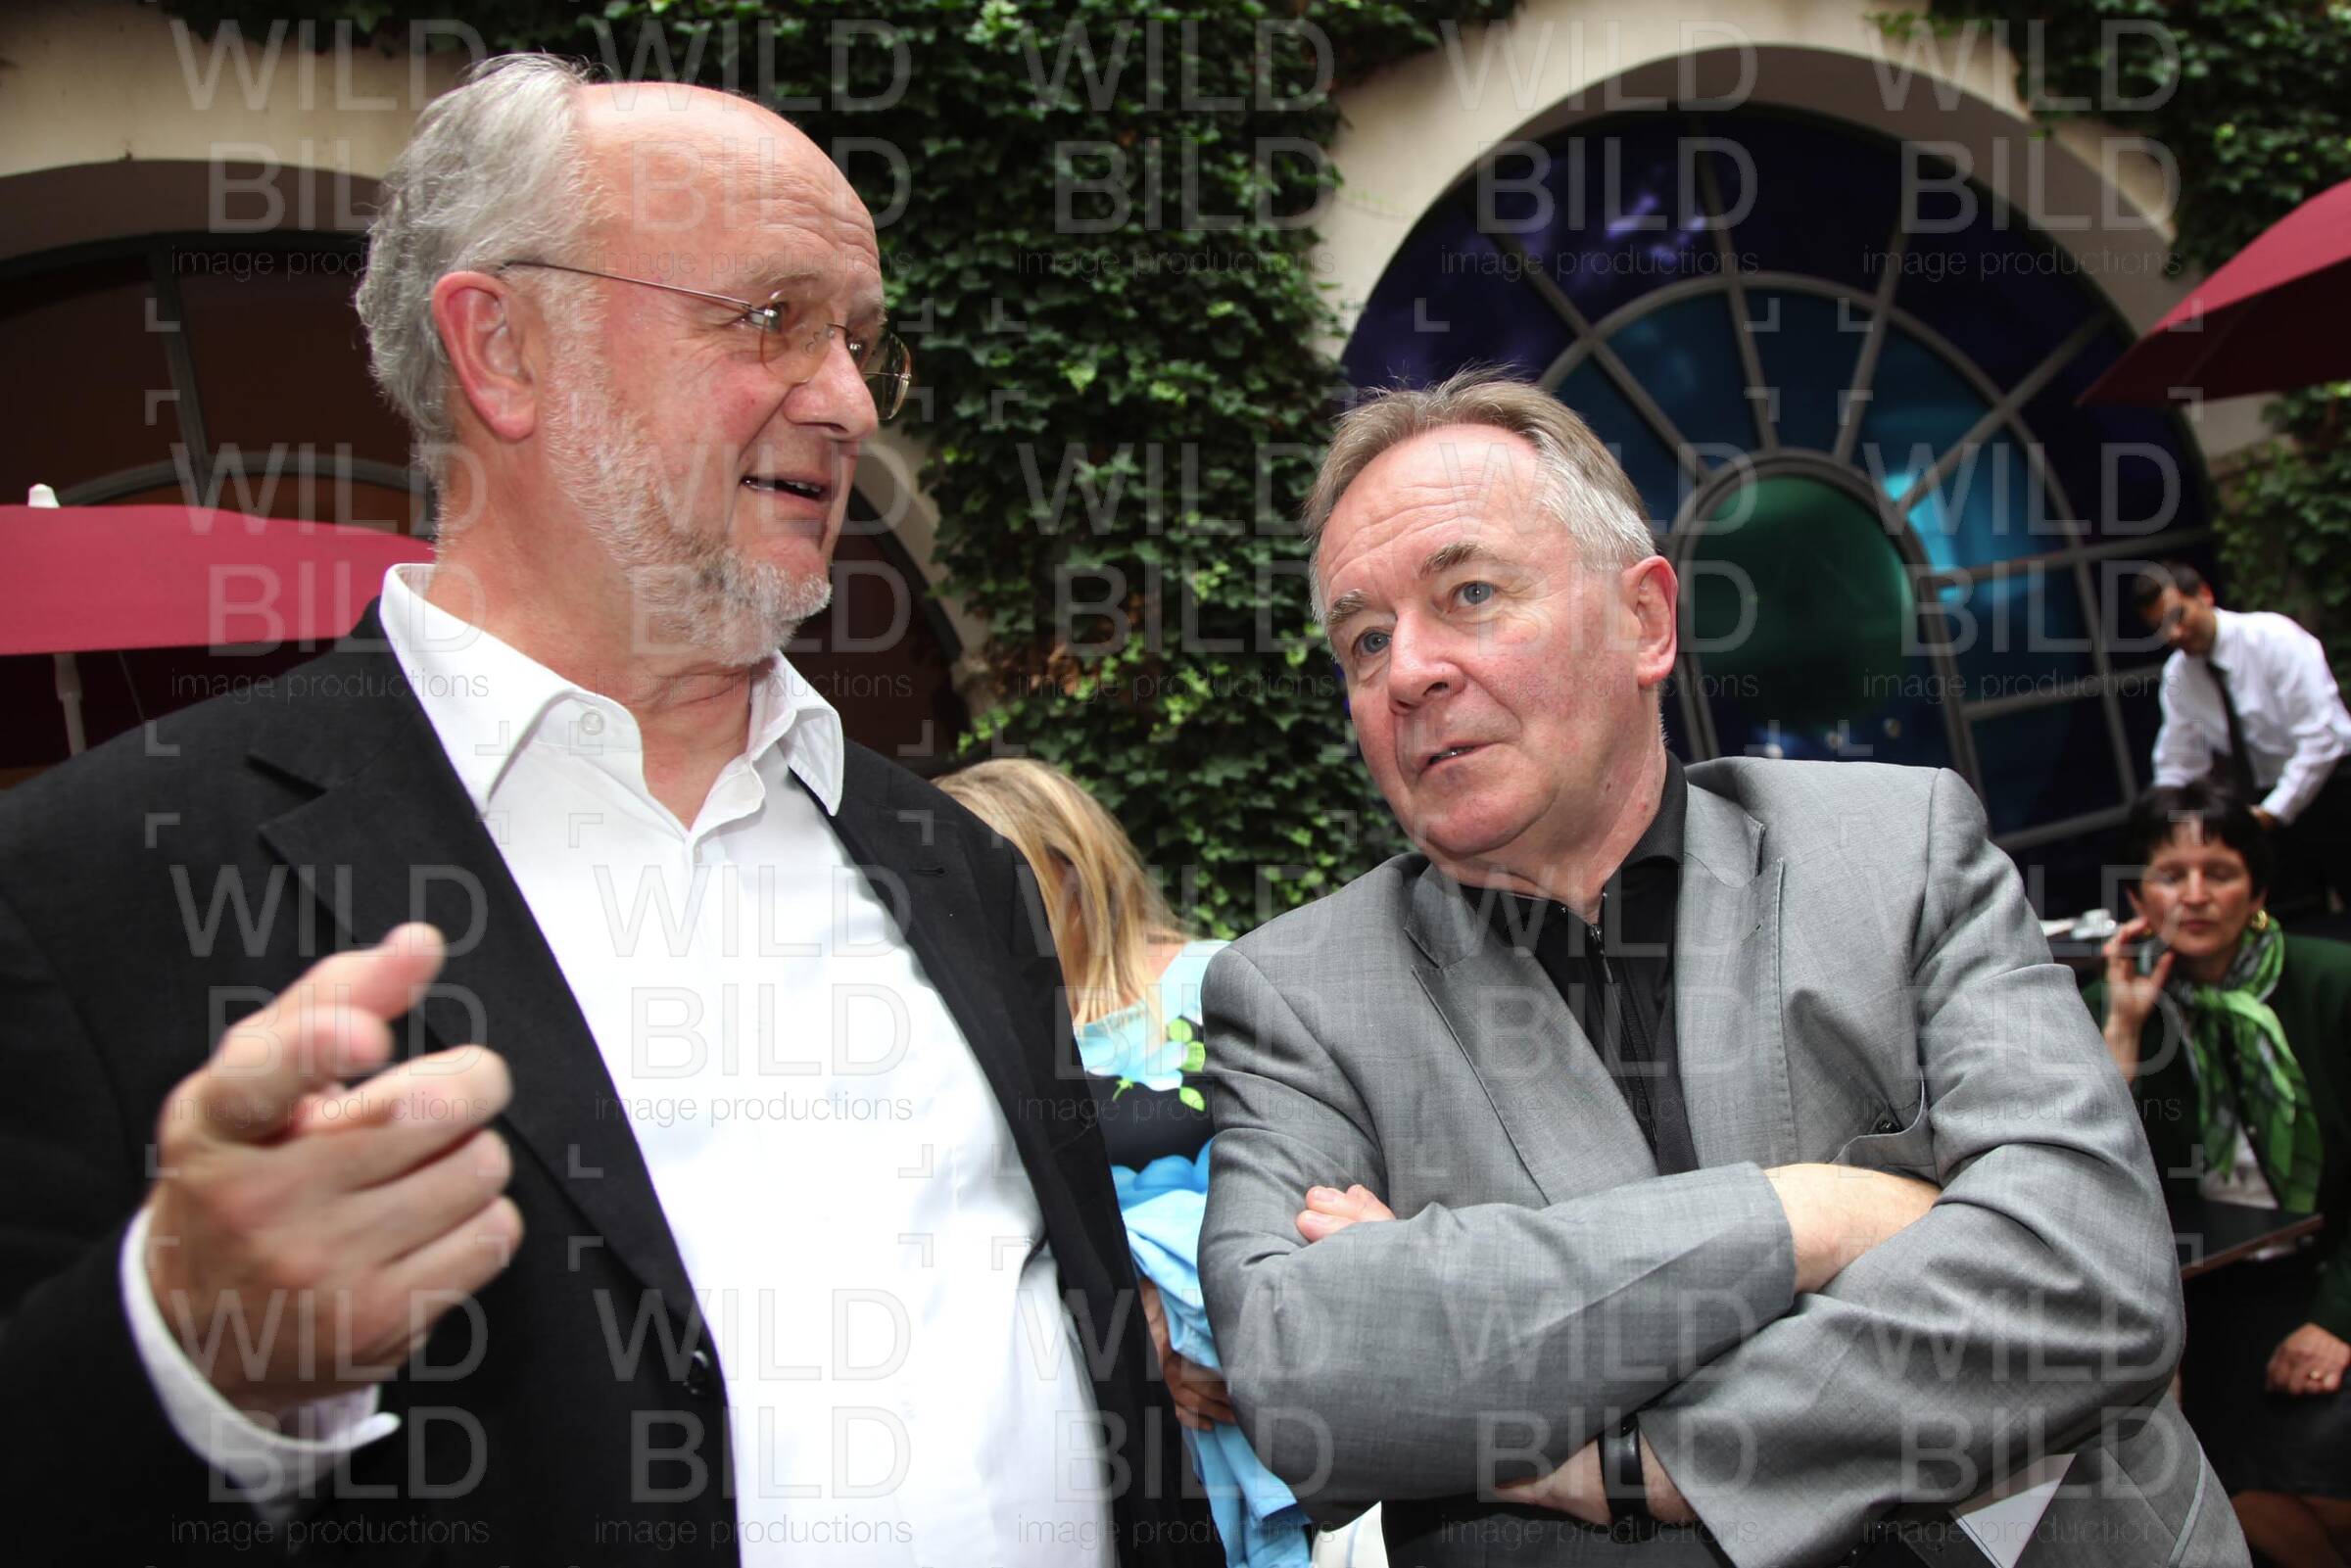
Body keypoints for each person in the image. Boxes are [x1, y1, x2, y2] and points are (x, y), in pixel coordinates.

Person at [0, 56, 1211, 1565]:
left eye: (858, 342)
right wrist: (188, 1349)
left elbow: (1118, 1400)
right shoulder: (100, 886)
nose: (845, 402)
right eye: (771, 317)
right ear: (502, 348)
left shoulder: (955, 865)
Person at [1196, 370, 2247, 1567]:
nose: (1408, 672)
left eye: (1470, 593)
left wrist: (1641, 1456)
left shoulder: (1899, 848)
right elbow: (1308, 1381)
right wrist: (1811, 1215)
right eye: (1366, 639)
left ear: (1645, 621)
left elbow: (2093, 1278)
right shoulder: (1302, 995)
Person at [942, 757, 1323, 1566]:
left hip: (1271, 1397)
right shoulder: (974, 1043)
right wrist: (1122, 1329)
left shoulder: (1223, 981)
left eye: (990, 874)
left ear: (1069, 870)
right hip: (1106, 1433)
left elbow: (1315, 1174)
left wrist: (1194, 1324)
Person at [2087, 781, 2351, 1566]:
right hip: (2209, 1294)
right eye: (2171, 875)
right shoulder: (2116, 1002)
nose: (2195, 895)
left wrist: (2338, 1320)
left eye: (2221, 872)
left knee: (2323, 1478)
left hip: (2330, 1269)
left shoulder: (2330, 981)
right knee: (2221, 1487)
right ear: (2138, 897)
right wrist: (2123, 1029)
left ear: (2258, 890)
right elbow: (2092, 1171)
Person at [2136, 560, 2351, 908]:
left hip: (2333, 784)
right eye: (2159, 627)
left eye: (2178, 616)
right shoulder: (2180, 675)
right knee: (2290, 916)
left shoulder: (2273, 638)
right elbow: (2178, 763)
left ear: (2204, 595)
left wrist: (2273, 812)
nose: (2173, 634)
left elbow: (2322, 738)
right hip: (2264, 803)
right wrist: (2173, 823)